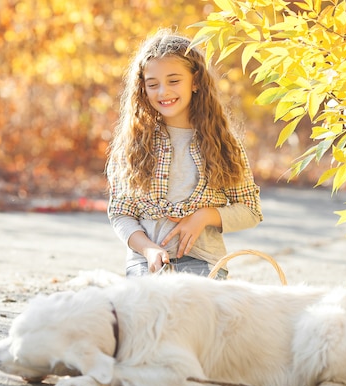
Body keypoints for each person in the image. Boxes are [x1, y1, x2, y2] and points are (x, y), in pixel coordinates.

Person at [106, 29, 263, 278]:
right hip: (145, 262)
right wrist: (148, 250)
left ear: (196, 81)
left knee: (192, 311)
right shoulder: (133, 143)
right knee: (146, 312)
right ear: (142, 89)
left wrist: (204, 216)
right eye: (153, 84)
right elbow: (120, 213)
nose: (163, 92)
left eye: (174, 80)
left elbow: (251, 210)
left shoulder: (223, 144)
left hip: (204, 261)